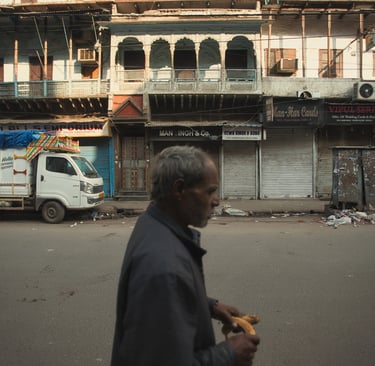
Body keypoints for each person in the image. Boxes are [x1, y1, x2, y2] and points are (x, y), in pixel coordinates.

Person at [110, 145, 260, 366]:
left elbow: (166, 302)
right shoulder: (164, 267)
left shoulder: (153, 222)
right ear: (179, 189)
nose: (216, 201)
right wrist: (228, 354)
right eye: (210, 191)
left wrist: (207, 306)